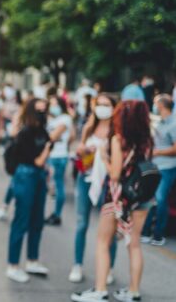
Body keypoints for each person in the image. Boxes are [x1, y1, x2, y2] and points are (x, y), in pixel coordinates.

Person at [72, 100, 154, 302]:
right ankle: (133, 291)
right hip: (142, 196)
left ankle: (100, 290)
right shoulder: (147, 140)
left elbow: (115, 174)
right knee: (134, 244)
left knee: (102, 241)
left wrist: (104, 158)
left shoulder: (119, 140)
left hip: (118, 198)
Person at [68, 93, 118, 284]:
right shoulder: (89, 127)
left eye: (107, 105)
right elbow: (79, 150)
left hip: (108, 181)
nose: (102, 108)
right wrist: (82, 151)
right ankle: (77, 265)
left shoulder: (116, 131)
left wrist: (102, 154)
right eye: (100, 104)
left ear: (114, 108)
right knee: (81, 224)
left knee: (109, 228)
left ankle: (109, 268)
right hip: (85, 177)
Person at [5, 98, 52, 283]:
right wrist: (47, 150)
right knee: (21, 220)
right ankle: (13, 265)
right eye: (39, 109)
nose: (43, 112)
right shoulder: (25, 133)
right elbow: (39, 160)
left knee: (37, 220)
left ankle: (32, 260)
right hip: (26, 176)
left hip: (38, 176)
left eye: (44, 109)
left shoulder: (42, 130)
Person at [141, 94, 176, 246]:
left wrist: (157, 152)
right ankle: (145, 231)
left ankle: (158, 234)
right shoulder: (158, 123)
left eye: (155, 103)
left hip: (167, 167)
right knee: (150, 199)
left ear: (161, 105)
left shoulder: (173, 123)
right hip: (154, 166)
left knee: (160, 198)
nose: (154, 106)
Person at [45, 95, 74, 225]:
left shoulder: (65, 118)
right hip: (54, 154)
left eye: (54, 103)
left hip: (58, 156)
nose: (52, 106)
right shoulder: (54, 119)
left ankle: (57, 214)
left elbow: (52, 136)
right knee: (55, 184)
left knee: (58, 185)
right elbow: (72, 135)